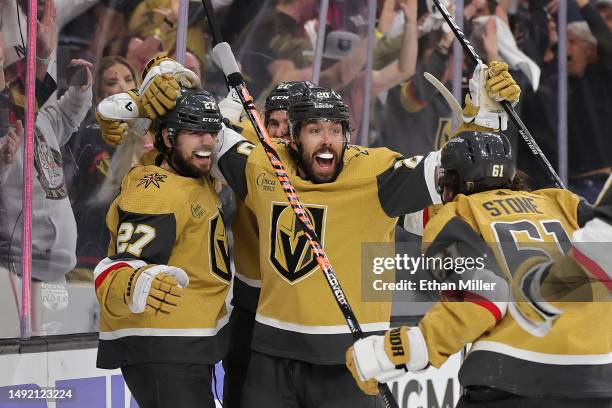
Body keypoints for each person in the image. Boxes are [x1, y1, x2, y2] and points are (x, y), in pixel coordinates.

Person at [97, 56, 521, 407]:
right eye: (312, 129)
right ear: (288, 135)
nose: (326, 140)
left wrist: (485, 120)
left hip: (343, 355)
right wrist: (141, 96)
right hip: (260, 344)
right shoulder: (262, 160)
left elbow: (461, 172)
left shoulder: (373, 172)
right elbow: (192, 114)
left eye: (335, 130)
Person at [344, 130, 612, 407]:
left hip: (513, 375)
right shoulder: (561, 201)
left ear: (450, 181)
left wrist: (395, 351)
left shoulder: (454, 218)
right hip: (598, 375)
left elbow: (486, 296)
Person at [93, 87, 231, 408]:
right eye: (195, 133)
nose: (207, 142)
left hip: (184, 342)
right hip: (162, 346)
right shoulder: (153, 193)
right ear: (169, 138)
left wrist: (143, 109)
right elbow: (125, 267)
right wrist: (135, 282)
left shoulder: (192, 174)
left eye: (210, 132)